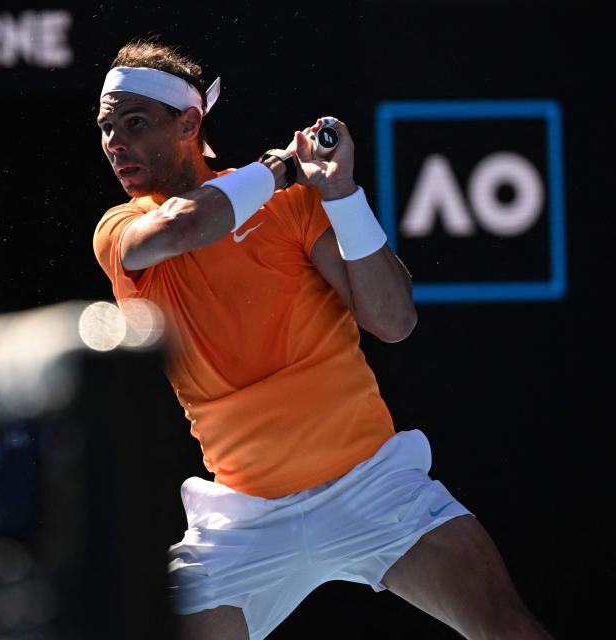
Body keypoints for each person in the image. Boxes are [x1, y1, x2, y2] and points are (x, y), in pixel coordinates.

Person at [92, 39, 552, 640]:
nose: (116, 143)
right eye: (106, 128)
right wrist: (280, 168)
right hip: (242, 522)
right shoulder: (120, 230)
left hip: (375, 485)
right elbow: (190, 223)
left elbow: (393, 321)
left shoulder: (293, 207)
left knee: (506, 626)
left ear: (189, 123)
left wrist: (342, 195)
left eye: (134, 123)